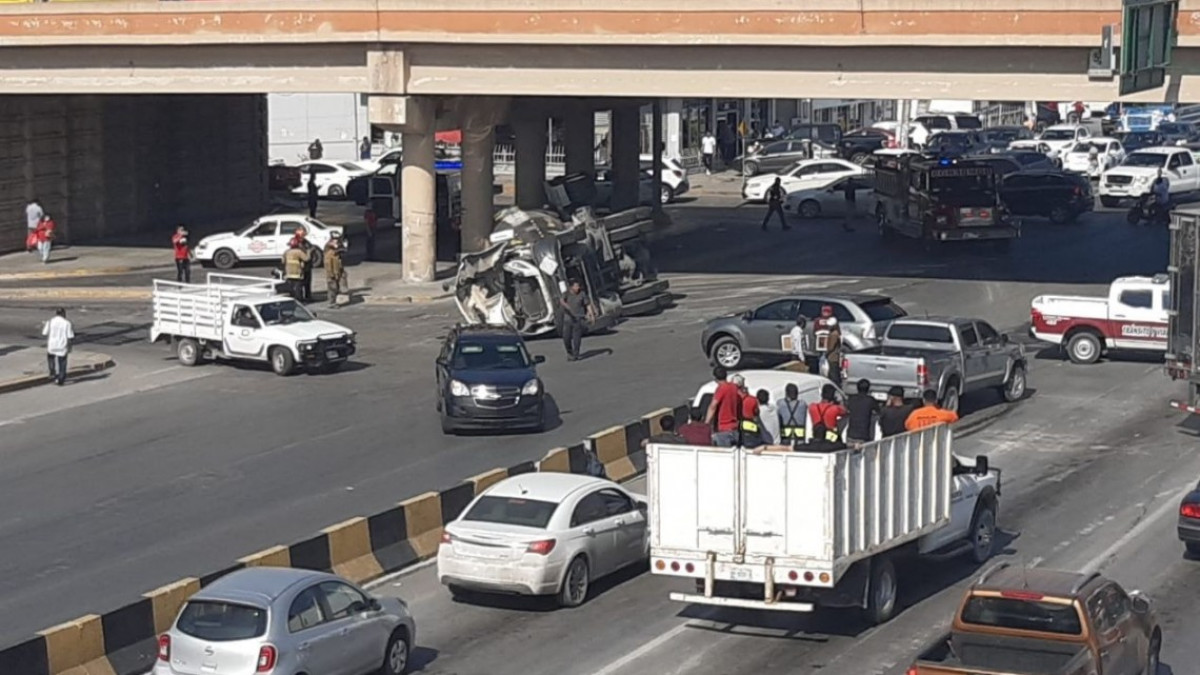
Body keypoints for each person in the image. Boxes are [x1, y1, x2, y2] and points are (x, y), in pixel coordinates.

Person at [559, 279, 595, 361]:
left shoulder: (582, 294)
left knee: (577, 338)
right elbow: (561, 300)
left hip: (578, 319)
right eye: (576, 286)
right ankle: (569, 352)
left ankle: (576, 354)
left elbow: (588, 304)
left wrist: (591, 314)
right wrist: (566, 306)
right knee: (566, 337)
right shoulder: (566, 293)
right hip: (568, 319)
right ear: (571, 287)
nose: (578, 288)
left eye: (578, 286)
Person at [706, 369, 743, 447]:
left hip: (723, 429)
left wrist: (706, 423)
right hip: (734, 428)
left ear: (715, 379)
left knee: (725, 456)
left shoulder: (721, 389)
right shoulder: (733, 387)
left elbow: (713, 406)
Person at [42, 308, 74, 386]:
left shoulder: (50, 322)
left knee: (50, 357)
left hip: (52, 345)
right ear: (63, 314)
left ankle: (52, 371)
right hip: (62, 345)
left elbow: (44, 333)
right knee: (62, 362)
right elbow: (70, 336)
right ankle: (61, 378)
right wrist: (70, 347)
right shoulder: (67, 323)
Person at [844, 379, 879, 444]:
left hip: (850, 434)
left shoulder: (851, 399)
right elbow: (878, 411)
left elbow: (845, 410)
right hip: (864, 435)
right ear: (868, 389)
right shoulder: (870, 400)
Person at [738, 384, 766, 448]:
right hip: (752, 427)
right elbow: (757, 412)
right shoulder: (753, 399)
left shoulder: (737, 399)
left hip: (740, 427)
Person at [324, 232, 346, 308]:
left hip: (336, 273)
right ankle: (331, 303)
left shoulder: (336, 254)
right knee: (332, 288)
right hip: (332, 275)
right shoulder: (330, 254)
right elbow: (328, 265)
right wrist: (331, 275)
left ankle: (333, 302)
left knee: (336, 288)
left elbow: (339, 263)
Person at [825, 318, 844, 386]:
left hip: (832, 357)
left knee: (833, 375)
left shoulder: (834, 334)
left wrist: (825, 354)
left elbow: (831, 347)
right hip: (835, 357)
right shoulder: (837, 333)